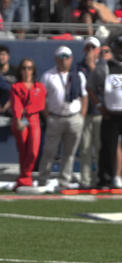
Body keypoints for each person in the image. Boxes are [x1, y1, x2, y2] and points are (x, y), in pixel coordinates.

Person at [89, 34, 122, 192]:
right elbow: (90, 87)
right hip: (110, 114)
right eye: (120, 47)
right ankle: (105, 180)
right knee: (107, 149)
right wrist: (99, 106)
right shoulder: (104, 66)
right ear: (115, 49)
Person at [38, 46, 88, 192]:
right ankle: (42, 180)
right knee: (49, 151)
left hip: (74, 117)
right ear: (56, 59)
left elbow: (84, 97)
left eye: (66, 57)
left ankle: (64, 181)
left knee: (69, 152)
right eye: (61, 57)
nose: (64, 60)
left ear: (71, 59)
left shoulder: (78, 75)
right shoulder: (48, 76)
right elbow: (42, 98)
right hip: (55, 117)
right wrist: (48, 116)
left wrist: (82, 116)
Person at [10, 59, 46, 191]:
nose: (27, 71)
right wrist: (19, 118)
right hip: (22, 120)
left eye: (29, 68)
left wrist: (27, 110)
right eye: (24, 68)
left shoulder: (39, 87)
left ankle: (24, 177)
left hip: (34, 119)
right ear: (20, 70)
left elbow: (40, 104)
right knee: (24, 150)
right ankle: (25, 178)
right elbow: (16, 104)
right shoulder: (16, 87)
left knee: (33, 151)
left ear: (33, 70)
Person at [77, 36, 103, 189]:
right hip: (85, 113)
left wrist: (92, 67)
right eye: (88, 48)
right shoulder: (78, 67)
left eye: (93, 48)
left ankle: (99, 178)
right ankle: (85, 180)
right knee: (85, 148)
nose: (90, 51)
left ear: (98, 50)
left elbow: (102, 85)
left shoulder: (103, 65)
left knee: (100, 149)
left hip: (100, 112)